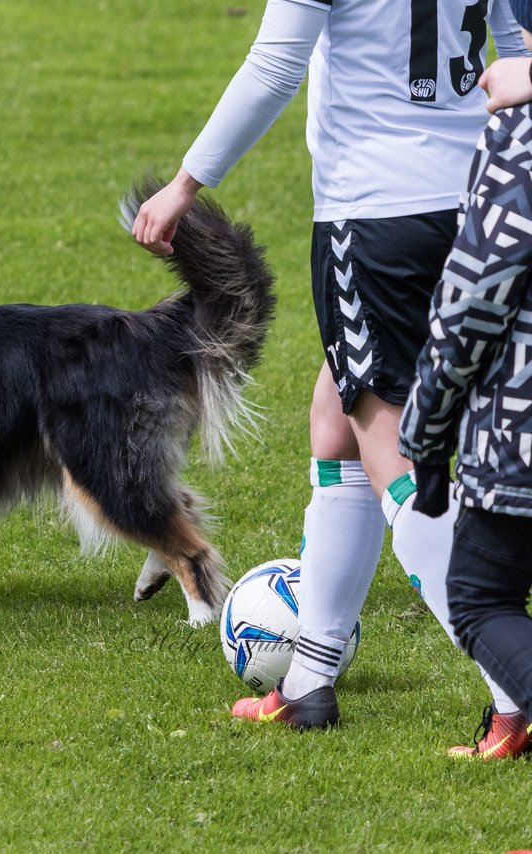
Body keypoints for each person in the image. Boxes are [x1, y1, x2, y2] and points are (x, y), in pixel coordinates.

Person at [133, 0, 530, 752]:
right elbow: (515, 45)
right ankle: (311, 679)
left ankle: (515, 688)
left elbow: (277, 64)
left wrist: (184, 185)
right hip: (475, 203)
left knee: (392, 451)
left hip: (377, 217)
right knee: (335, 417)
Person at [400, 4, 532, 759]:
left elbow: (472, 302)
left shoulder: (519, 134)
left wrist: (425, 433)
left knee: (482, 603)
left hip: (520, 438)